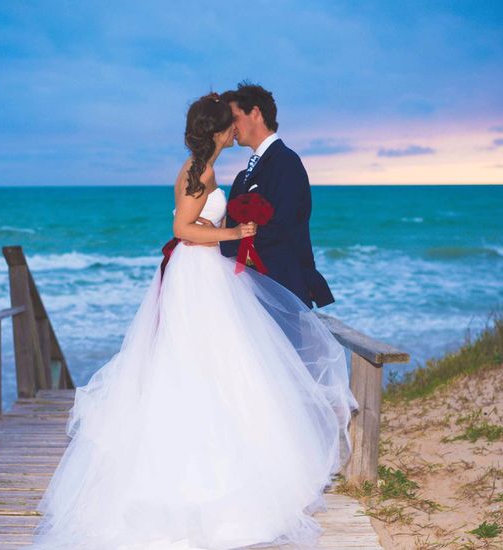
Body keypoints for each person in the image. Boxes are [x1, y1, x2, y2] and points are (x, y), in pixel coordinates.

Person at [27, 92, 357, 550]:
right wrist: (233, 233)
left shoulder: (219, 169)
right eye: (229, 123)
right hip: (199, 275)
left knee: (218, 366)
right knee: (200, 366)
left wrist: (237, 235)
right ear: (219, 130)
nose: (234, 129)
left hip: (210, 274)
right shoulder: (200, 170)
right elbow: (184, 230)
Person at [219, 82, 334, 309]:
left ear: (255, 113)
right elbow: (233, 227)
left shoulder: (286, 162)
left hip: (281, 288)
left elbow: (283, 226)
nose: (231, 127)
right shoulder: (243, 176)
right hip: (251, 290)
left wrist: (229, 241)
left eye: (234, 117)